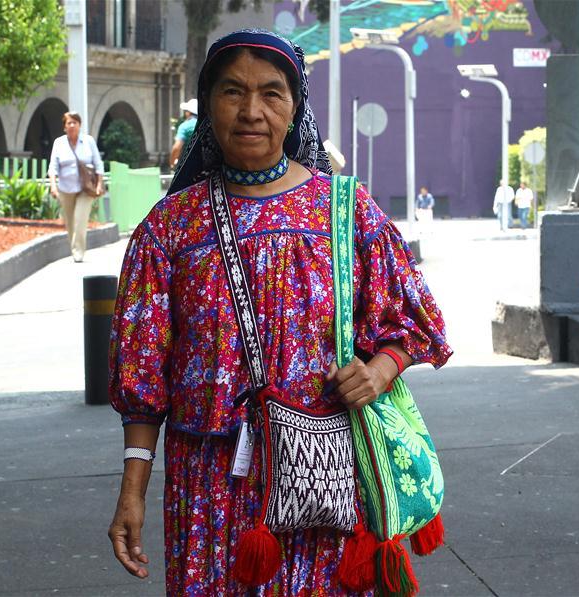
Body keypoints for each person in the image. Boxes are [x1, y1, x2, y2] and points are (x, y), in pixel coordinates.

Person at [107, 29, 452, 595]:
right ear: (208, 103)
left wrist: (378, 370)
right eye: (231, 92)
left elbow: (413, 319)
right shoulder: (169, 227)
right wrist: (132, 492)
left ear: (296, 108)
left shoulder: (347, 211)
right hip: (209, 481)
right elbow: (142, 376)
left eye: (271, 93)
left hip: (324, 468)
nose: (251, 111)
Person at [47, 111, 104, 262]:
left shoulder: (88, 141)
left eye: (74, 122)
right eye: (69, 123)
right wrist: (53, 187)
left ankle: (78, 253)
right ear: (64, 127)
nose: (72, 125)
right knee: (70, 222)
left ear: (79, 125)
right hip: (65, 188)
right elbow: (53, 167)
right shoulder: (59, 143)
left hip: (86, 189)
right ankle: (74, 249)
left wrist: (99, 184)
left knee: (80, 219)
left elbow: (98, 164)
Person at [169, 98, 198, 169]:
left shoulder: (185, 126)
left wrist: (172, 163)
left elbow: (176, 148)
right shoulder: (208, 124)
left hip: (189, 167)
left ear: (188, 113)